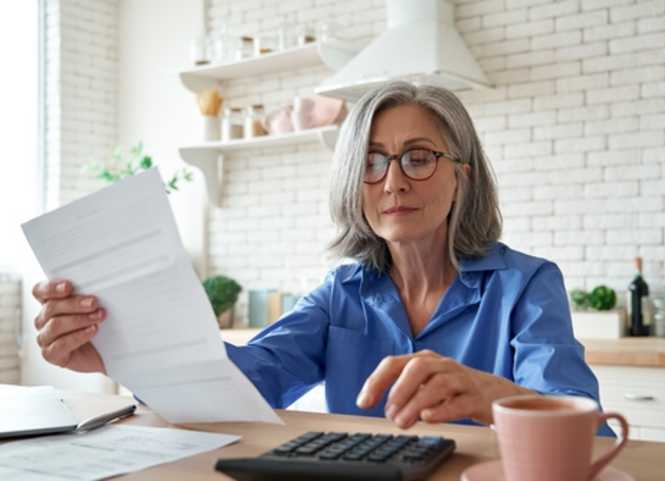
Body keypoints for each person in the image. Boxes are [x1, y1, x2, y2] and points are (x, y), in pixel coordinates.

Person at [32, 81, 614, 436]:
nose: (392, 182)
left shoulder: (527, 285)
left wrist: (490, 396)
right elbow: (247, 382)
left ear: (461, 176)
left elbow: (583, 425)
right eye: (371, 161)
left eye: (417, 158)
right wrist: (118, 352)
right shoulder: (342, 293)